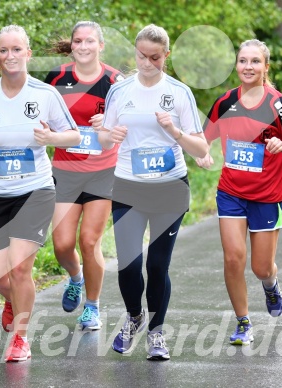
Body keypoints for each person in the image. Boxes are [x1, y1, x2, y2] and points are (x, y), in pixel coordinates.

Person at [0, 25, 80, 362]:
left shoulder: (44, 94)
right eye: (4, 50)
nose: (10, 56)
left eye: (17, 50)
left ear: (28, 53)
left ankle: (21, 339)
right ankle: (14, 300)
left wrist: (50, 139)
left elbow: (72, 136)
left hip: (35, 191)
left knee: (19, 270)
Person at [99, 24, 208, 361]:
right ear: (135, 52)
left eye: (155, 58)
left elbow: (200, 145)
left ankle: (157, 334)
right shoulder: (119, 91)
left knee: (158, 266)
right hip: (129, 185)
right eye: (141, 56)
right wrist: (107, 134)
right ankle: (135, 317)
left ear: (166, 56)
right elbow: (104, 140)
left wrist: (173, 130)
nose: (147, 63)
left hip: (169, 188)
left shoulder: (178, 93)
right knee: (129, 266)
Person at [196, 39, 282, 346]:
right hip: (231, 192)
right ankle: (243, 322)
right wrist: (202, 154)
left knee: (260, 267)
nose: (248, 67)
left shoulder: (277, 104)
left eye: (255, 62)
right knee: (233, 259)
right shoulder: (224, 102)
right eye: (243, 61)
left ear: (265, 67)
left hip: (268, 195)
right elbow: (203, 139)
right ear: (236, 65)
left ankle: (270, 284)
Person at [44, 21, 123, 331]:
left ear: (100, 46)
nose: (84, 46)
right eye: (79, 41)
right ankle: (75, 278)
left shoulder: (115, 81)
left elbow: (128, 124)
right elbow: (42, 116)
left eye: (90, 41)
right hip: (65, 170)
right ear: (73, 45)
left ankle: (92, 306)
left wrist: (110, 119)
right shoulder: (58, 77)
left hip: (103, 172)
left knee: (89, 241)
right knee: (62, 245)